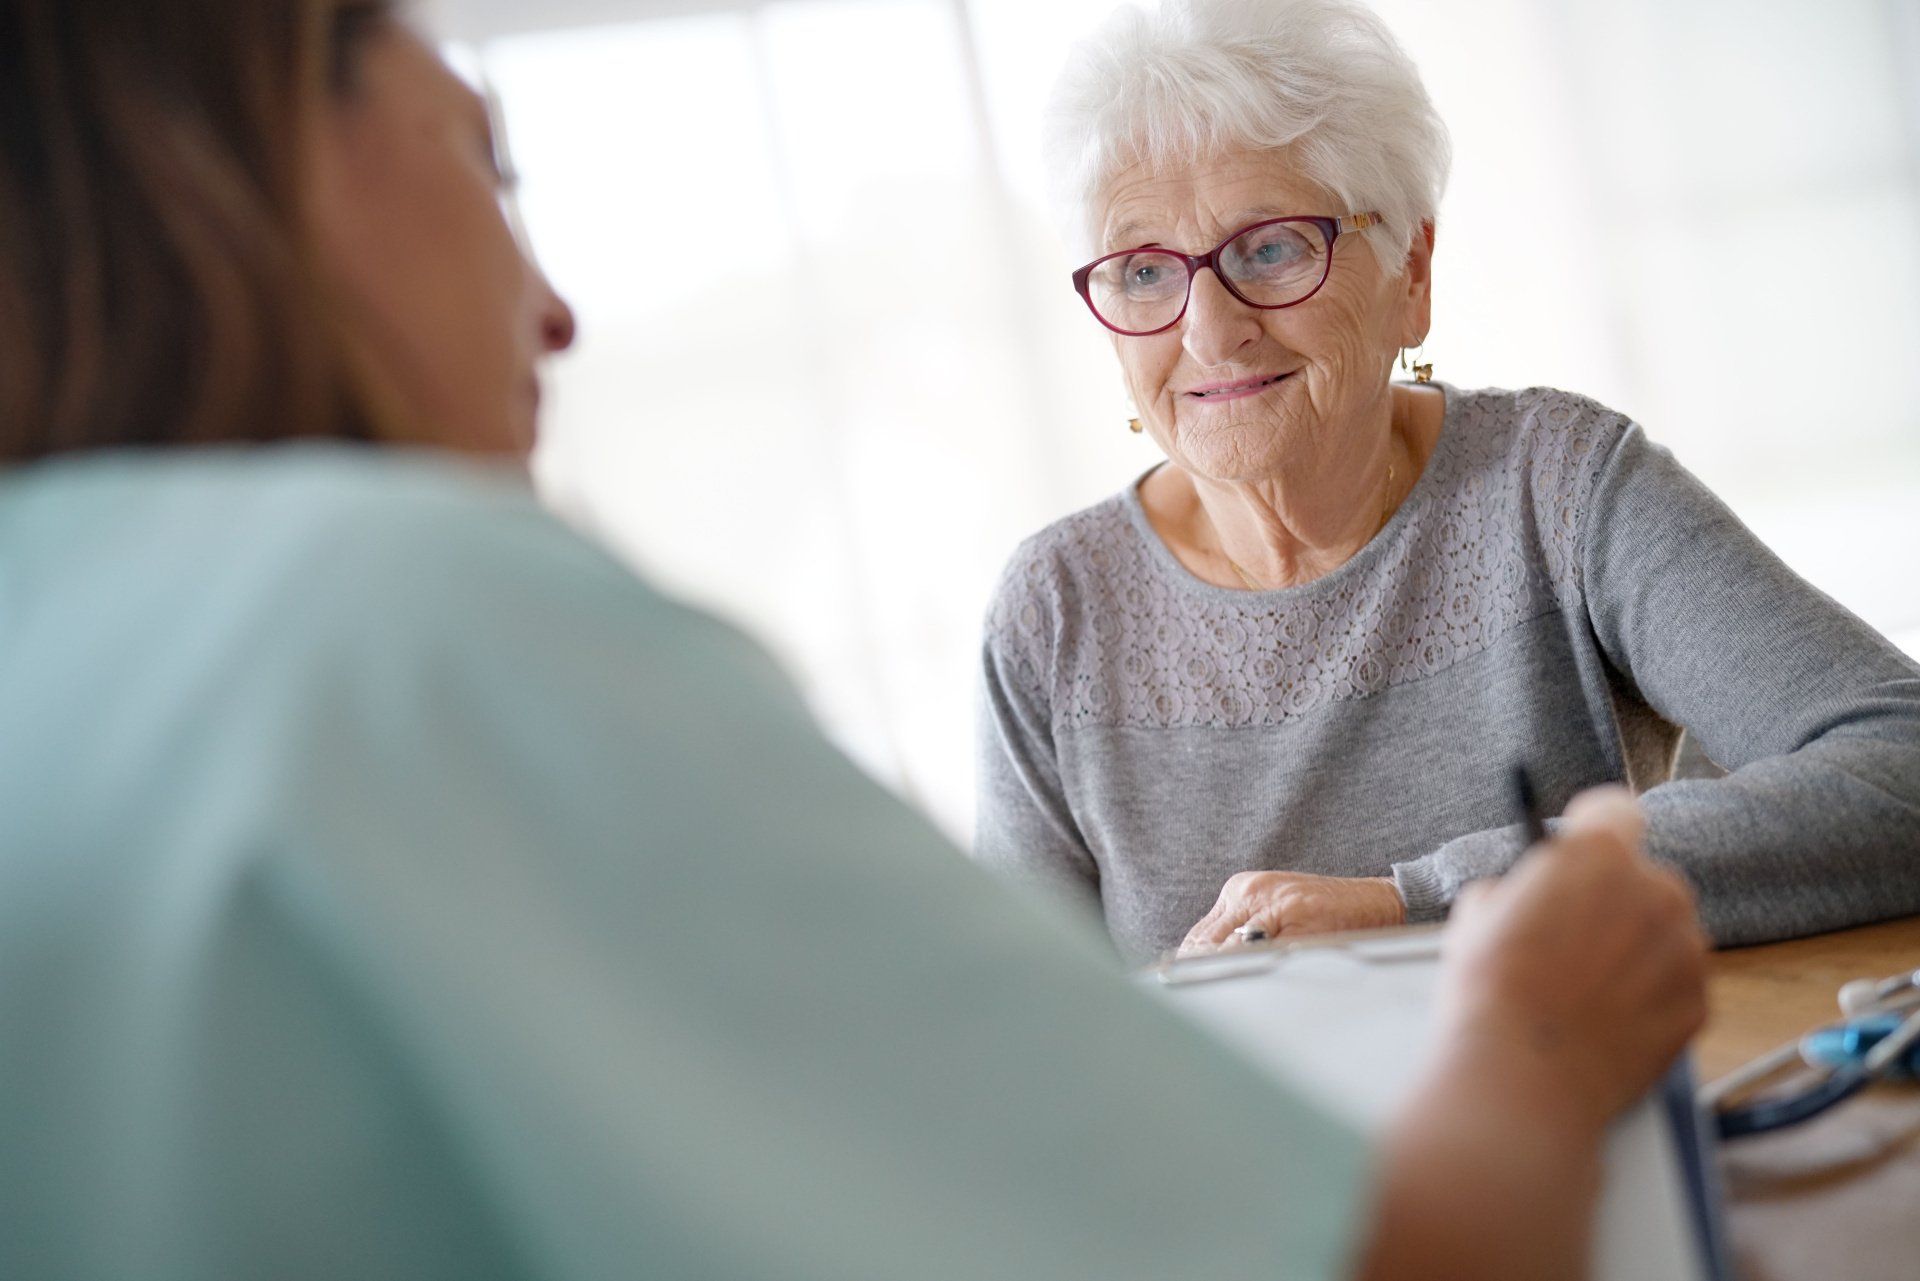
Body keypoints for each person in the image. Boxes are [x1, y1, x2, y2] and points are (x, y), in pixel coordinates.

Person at [0, 2, 1706, 1278]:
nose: (558, 309)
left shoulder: (59, 640)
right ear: (250, 153)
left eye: (1271, 248)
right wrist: (1536, 1028)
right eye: (487, 164)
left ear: (1405, 273)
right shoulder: (415, 620)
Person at [974, 0, 1920, 964]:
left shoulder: (1555, 490)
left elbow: (1904, 765)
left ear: (1411, 268)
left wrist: (1418, 903)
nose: (1208, 331)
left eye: (1271, 248)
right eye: (1143, 271)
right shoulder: (1055, 616)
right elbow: (1023, 1022)